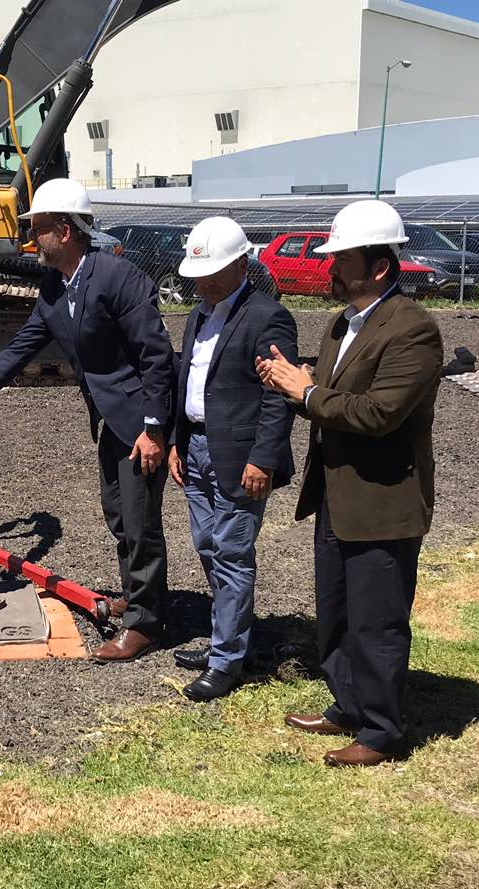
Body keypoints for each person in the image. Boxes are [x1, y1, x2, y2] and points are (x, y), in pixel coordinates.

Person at [0, 178, 176, 661]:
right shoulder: (55, 285)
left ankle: (146, 624)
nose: (32, 241)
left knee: (139, 521)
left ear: (66, 232)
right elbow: (23, 345)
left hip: (139, 421)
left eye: (38, 230)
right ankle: (137, 598)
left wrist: (155, 429)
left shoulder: (120, 278)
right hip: (110, 419)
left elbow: (156, 356)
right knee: (118, 512)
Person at [256, 198, 442, 767]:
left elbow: (378, 413)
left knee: (377, 619)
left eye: (341, 259)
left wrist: (305, 392)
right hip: (338, 494)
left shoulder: (414, 331)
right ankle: (347, 704)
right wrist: (307, 384)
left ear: (378, 266)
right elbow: (338, 399)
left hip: (382, 500)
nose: (329, 269)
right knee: (335, 611)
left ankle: (383, 729)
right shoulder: (345, 323)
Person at [168, 216, 297, 701]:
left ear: (242, 264)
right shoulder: (198, 314)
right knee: (207, 546)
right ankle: (228, 639)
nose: (202, 282)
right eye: (198, 275)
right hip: (197, 448)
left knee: (232, 553)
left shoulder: (268, 317)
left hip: (242, 459)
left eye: (213, 273)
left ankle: (227, 661)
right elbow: (190, 382)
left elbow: (278, 395)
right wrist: (180, 441)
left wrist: (263, 459)